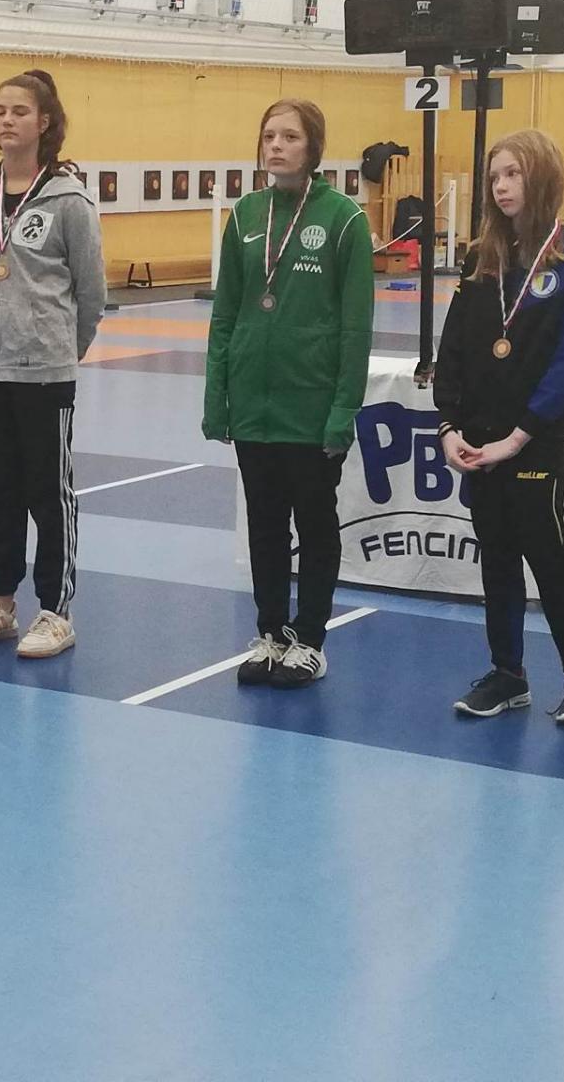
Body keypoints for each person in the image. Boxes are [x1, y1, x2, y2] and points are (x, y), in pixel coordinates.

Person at [434, 129, 564, 726]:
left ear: (542, 179)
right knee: (496, 553)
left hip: (533, 440)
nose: (502, 187)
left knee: (547, 551)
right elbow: (454, 346)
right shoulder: (480, 258)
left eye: (514, 174)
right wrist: (449, 425)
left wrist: (519, 436)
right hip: (479, 438)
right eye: (495, 177)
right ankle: (507, 672)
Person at [203, 100, 374, 688]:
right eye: (269, 135)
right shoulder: (245, 214)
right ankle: (271, 633)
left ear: (313, 147)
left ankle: (310, 639)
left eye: (290, 137)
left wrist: (344, 409)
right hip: (254, 403)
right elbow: (226, 313)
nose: (276, 146)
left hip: (312, 403)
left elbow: (356, 326)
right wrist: (217, 396)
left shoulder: (345, 219)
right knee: (265, 525)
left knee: (316, 523)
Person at [0, 70, 106, 659]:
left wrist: (61, 348)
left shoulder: (70, 200)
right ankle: (0, 603)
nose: (7, 120)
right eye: (0, 110)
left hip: (43, 370)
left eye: (19, 111)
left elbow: (91, 290)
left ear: (44, 122)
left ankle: (55, 611)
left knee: (48, 490)